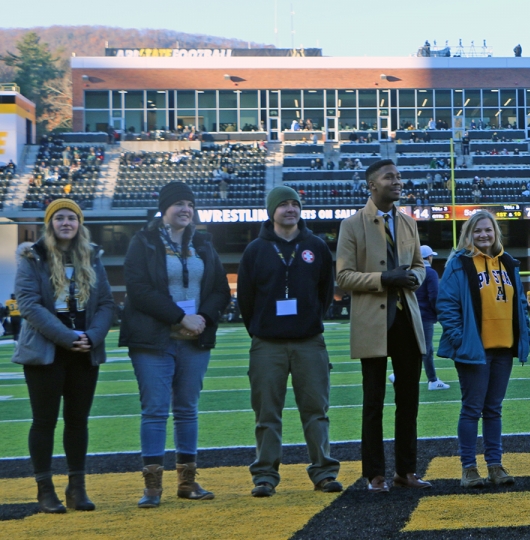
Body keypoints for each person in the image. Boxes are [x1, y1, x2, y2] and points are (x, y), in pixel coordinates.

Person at [120, 182, 231, 508]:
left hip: (193, 339)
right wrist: (179, 317)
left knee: (187, 411)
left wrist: (203, 318)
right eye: (178, 204)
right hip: (152, 340)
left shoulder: (204, 243)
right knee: (155, 411)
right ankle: (152, 488)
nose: (185, 209)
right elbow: (138, 289)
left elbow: (221, 290)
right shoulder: (143, 242)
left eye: (189, 204)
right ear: (164, 208)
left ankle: (188, 482)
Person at [238, 186, 342, 497]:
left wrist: (308, 319)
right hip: (267, 343)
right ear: (271, 211)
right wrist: (261, 328)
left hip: (309, 340)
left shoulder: (316, 246)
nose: (289, 209)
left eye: (294, 204)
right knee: (267, 412)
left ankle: (323, 472)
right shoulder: (255, 249)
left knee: (316, 409)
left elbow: (325, 290)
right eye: (282, 204)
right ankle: (265, 475)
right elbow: (246, 297)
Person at [336, 159, 430, 491]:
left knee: (409, 402)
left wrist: (412, 278)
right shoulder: (352, 225)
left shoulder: (408, 223)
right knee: (373, 401)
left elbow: (420, 266)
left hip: (406, 319)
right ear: (372, 185)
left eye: (399, 176)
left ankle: (406, 471)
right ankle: (374, 473)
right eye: (390, 177)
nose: (398, 181)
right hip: (373, 322)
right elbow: (343, 275)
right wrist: (383, 278)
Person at [15, 199, 115, 513]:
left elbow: (106, 304)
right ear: (50, 223)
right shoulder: (32, 255)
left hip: (84, 350)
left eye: (71, 218)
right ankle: (45, 490)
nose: (66, 223)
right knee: (44, 422)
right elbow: (29, 304)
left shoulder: (92, 255)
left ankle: (77, 487)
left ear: (79, 223)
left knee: (77, 422)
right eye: (59, 218)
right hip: (46, 351)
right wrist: (67, 337)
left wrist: (92, 336)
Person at [437, 211, 530, 487]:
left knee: (493, 409)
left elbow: (520, 304)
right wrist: (459, 339)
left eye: (488, 230)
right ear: (468, 234)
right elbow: (447, 305)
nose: (483, 235)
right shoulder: (459, 263)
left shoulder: (508, 263)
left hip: (503, 347)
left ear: (496, 233)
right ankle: (468, 468)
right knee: (471, 409)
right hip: (474, 349)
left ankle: (495, 465)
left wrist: (523, 332)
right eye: (477, 231)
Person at [417, 245, 451, 390]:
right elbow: (434, 296)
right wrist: (438, 312)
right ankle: (432, 380)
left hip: (412, 315)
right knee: (426, 349)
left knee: (414, 348)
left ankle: (397, 374)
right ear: (429, 257)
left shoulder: (412, 271)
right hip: (425, 316)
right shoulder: (429, 273)